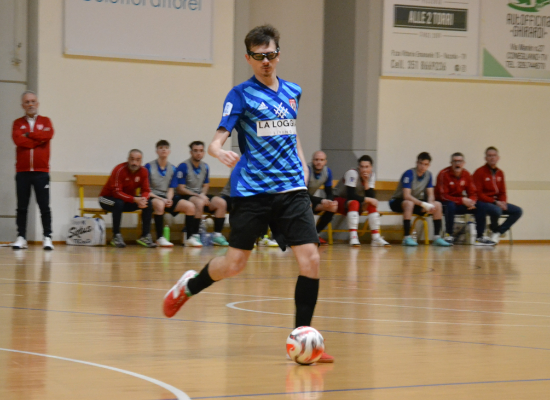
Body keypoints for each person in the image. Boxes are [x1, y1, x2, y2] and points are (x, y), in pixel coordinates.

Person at [163, 24, 333, 362]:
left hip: (292, 190)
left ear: (278, 54)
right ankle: (189, 286)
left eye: (270, 55)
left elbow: (290, 130)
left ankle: (304, 340)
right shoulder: (240, 94)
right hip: (253, 191)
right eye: (258, 57)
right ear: (248, 58)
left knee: (311, 260)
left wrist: (301, 161)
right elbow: (219, 137)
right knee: (235, 264)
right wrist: (217, 151)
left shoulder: (293, 91)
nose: (265, 62)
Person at [11, 91, 54, 250]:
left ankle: (47, 237)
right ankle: (21, 237)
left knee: (44, 206)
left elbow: (48, 135)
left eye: (33, 101)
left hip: (41, 172)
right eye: (27, 102)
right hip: (22, 172)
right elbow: (18, 140)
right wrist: (37, 141)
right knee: (22, 207)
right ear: (23, 105)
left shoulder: (46, 121)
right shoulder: (17, 123)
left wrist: (29, 134)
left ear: (37, 103)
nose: (30, 104)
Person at [145, 140, 200, 247]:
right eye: (161, 148)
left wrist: (169, 199)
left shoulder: (173, 168)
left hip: (167, 197)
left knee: (190, 206)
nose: (164, 150)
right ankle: (160, 238)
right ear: (157, 151)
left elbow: (171, 188)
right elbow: (146, 190)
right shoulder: (148, 166)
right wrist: (162, 199)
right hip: (153, 196)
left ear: (169, 151)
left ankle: (189, 238)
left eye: (166, 148)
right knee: (160, 204)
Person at [389, 152, 450, 247]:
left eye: (425, 164)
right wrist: (423, 204)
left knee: (437, 204)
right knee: (409, 203)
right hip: (397, 201)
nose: (423, 166)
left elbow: (430, 194)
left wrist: (430, 203)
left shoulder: (428, 175)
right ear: (417, 163)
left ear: (429, 165)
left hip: (415, 202)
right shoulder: (409, 173)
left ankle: (437, 237)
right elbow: (406, 196)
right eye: (421, 163)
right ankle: (406, 237)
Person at [99, 149, 156, 248]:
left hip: (126, 200)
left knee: (148, 203)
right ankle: (116, 236)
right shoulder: (119, 169)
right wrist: (134, 199)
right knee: (118, 203)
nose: (134, 163)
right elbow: (117, 193)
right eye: (132, 159)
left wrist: (143, 199)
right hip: (107, 199)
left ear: (141, 161)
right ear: (128, 159)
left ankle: (145, 236)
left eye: (137, 160)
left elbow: (146, 190)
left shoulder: (144, 171)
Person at [435, 152, 495, 246]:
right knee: (450, 205)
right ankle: (449, 235)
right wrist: (462, 200)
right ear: (451, 163)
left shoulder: (466, 174)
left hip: (459, 203)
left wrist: (471, 202)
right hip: (444, 203)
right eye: (455, 161)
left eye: (459, 161)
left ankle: (480, 237)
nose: (457, 163)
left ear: (463, 163)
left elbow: (473, 193)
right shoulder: (443, 174)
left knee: (481, 205)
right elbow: (443, 196)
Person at [176, 141, 229, 246]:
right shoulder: (183, 166)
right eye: (195, 151)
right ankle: (195, 235)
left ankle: (217, 235)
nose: (198, 153)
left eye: (200, 151)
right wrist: (198, 196)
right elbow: (180, 189)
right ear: (191, 152)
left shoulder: (205, 167)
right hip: (187, 196)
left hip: (200, 195)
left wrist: (203, 195)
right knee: (199, 202)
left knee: (221, 203)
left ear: (204, 152)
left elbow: (205, 185)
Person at [334, 155, 390, 247]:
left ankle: (376, 237)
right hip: (337, 199)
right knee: (355, 202)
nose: (364, 170)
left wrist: (366, 182)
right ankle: (353, 237)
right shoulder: (352, 173)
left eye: (367, 167)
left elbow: (371, 196)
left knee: (371, 204)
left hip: (353, 201)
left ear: (371, 168)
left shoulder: (371, 175)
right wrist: (368, 199)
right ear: (358, 167)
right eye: (362, 167)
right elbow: (350, 195)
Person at [473, 147, 522, 244]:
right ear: (485, 158)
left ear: (498, 158)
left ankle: (497, 232)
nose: (492, 158)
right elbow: (478, 194)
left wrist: (503, 202)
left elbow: (502, 192)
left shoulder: (500, 173)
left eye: (494, 155)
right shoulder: (479, 172)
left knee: (518, 211)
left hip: (497, 202)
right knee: (497, 210)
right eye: (489, 156)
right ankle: (494, 228)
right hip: (484, 202)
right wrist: (495, 202)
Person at [220, 179, 277, 247]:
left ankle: (263, 237)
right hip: (231, 196)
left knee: (265, 204)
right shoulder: (242, 172)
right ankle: (242, 238)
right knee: (252, 205)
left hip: (249, 196)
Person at [307, 151, 337, 245]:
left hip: (310, 200)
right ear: (312, 161)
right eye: (316, 160)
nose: (319, 162)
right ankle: (301, 235)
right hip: (297, 199)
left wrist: (329, 201)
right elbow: (302, 193)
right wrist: (321, 200)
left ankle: (316, 233)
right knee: (307, 204)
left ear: (325, 162)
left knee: (333, 207)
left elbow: (329, 192)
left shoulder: (327, 172)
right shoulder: (306, 170)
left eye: (321, 160)